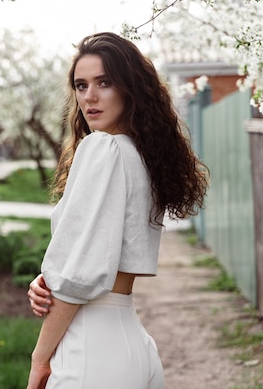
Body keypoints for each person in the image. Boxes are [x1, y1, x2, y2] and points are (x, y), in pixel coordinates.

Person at [25, 32, 209, 389]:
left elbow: (79, 277)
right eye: (81, 85)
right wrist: (51, 279)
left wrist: (39, 359)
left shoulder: (103, 149)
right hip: (131, 342)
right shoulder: (140, 156)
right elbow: (91, 257)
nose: (89, 97)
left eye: (104, 83)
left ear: (130, 88)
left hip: (91, 349)